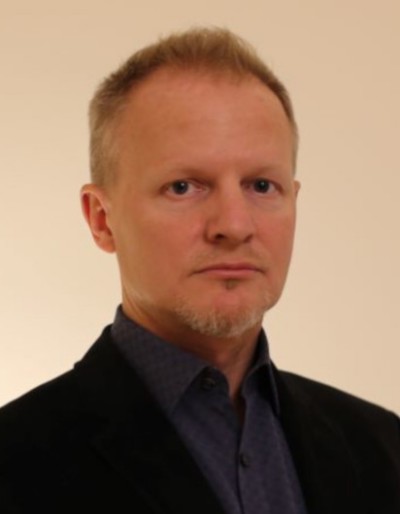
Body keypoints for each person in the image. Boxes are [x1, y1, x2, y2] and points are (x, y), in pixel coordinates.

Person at [0, 27, 399, 514]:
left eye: (261, 185)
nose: (234, 225)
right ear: (102, 219)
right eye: (184, 187)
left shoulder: (383, 446)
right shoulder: (14, 465)